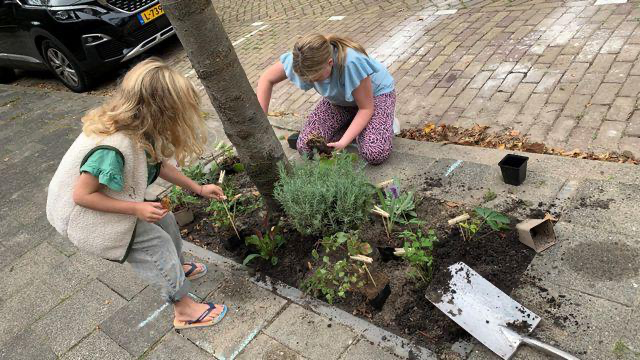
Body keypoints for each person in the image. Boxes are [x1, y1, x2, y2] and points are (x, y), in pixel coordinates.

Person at [46, 58, 227, 330]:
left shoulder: (140, 129)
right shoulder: (114, 146)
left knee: (166, 223)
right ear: (159, 110)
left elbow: (158, 164)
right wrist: (136, 209)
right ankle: (184, 309)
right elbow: (82, 196)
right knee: (156, 248)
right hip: (87, 216)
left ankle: (175, 269)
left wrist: (198, 188)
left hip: (112, 199)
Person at [257, 33, 396, 165]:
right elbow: (266, 79)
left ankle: (380, 125)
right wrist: (260, 124)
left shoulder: (352, 62)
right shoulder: (300, 59)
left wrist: (344, 141)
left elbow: (366, 108)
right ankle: (359, 127)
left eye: (316, 79)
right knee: (306, 147)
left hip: (374, 97)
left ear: (330, 63)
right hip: (341, 101)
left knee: (374, 152)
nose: (312, 82)